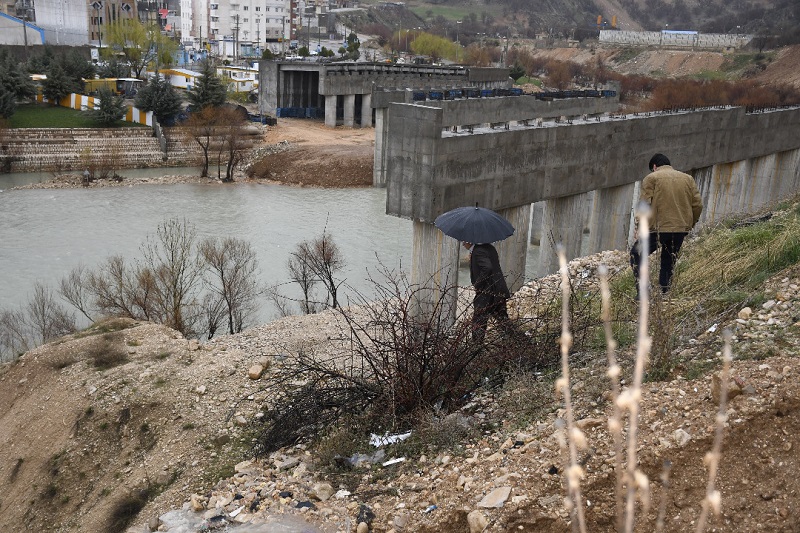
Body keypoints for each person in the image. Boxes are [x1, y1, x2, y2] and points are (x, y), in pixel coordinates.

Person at [630, 153, 703, 296]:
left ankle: (643, 291)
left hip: (658, 229)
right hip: (680, 229)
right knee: (668, 260)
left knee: (636, 254)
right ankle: (664, 293)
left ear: (655, 166)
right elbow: (698, 205)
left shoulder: (652, 178)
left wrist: (639, 227)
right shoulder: (688, 179)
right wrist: (690, 224)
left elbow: (645, 204)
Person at [464, 241, 512, 342]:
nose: (463, 244)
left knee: (479, 320)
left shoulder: (478, 251)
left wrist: (478, 284)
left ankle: (476, 347)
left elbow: (487, 268)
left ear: (470, 241)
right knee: (502, 318)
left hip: (488, 292)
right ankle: (516, 341)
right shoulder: (489, 247)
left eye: (464, 242)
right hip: (498, 290)